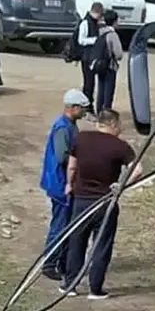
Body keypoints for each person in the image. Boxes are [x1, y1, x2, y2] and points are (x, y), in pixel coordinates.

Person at [62, 108, 143, 299]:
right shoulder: (120, 146)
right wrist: (122, 185)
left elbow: (72, 166)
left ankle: (70, 285)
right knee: (101, 246)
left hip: (81, 201)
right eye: (120, 124)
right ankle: (95, 289)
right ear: (113, 124)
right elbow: (138, 170)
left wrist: (69, 184)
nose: (121, 128)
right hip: (105, 202)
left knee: (76, 242)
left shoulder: (81, 139)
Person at [38, 88, 91, 281]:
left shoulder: (69, 125)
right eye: (83, 108)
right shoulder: (63, 128)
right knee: (60, 225)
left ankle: (62, 262)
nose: (85, 112)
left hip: (60, 183)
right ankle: (49, 263)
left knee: (65, 224)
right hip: (60, 185)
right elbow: (63, 156)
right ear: (73, 107)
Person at [91, 9, 124, 112]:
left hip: (99, 65)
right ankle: (106, 111)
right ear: (114, 21)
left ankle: (99, 110)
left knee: (101, 89)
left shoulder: (100, 32)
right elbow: (119, 54)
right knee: (109, 90)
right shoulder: (112, 35)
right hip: (110, 66)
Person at [76, 2, 104, 109]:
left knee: (91, 83)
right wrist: (95, 40)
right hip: (87, 57)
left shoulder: (96, 23)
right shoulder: (85, 23)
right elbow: (81, 40)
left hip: (93, 56)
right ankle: (86, 105)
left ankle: (88, 104)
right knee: (88, 83)